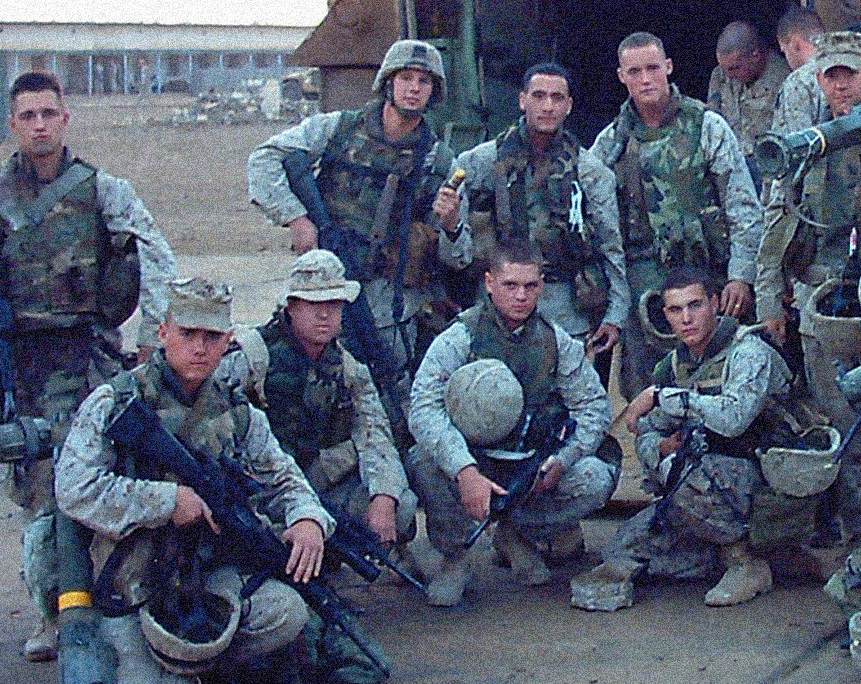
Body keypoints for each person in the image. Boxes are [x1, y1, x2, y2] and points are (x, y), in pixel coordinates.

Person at [0, 70, 180, 664]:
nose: (38, 126)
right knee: (39, 497)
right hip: (24, 366)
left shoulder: (104, 190)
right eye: (27, 116)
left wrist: (149, 344)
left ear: (65, 119)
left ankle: (109, 603)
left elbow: (157, 255)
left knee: (102, 481)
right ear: (12, 124)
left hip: (92, 360)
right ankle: (52, 614)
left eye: (48, 114)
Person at [55, 278, 332, 684]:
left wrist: (307, 518)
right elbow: (74, 490)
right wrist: (166, 503)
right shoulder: (116, 402)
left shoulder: (239, 412)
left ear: (228, 342)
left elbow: (283, 477)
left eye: (212, 337)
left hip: (200, 576)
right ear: (162, 332)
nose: (200, 348)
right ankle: (159, 673)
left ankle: (186, 669)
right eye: (188, 334)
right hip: (128, 577)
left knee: (285, 613)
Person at [571, 267, 802, 610]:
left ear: (714, 304)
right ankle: (718, 553)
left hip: (766, 481)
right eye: (676, 310)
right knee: (623, 547)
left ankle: (746, 561)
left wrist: (663, 398)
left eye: (695, 306)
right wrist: (660, 451)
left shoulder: (748, 351)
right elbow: (645, 429)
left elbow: (733, 418)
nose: (687, 319)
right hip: (704, 479)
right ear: (665, 315)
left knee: (689, 477)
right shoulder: (676, 364)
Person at [406, 244, 617, 606]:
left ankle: (516, 531)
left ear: (542, 285)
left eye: (530, 286)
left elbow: (593, 406)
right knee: (422, 461)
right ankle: (455, 556)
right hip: (472, 457)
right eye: (509, 285)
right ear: (489, 283)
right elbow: (423, 407)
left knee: (595, 478)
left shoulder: (556, 340)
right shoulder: (461, 335)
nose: (520, 296)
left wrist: (564, 459)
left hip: (528, 462)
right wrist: (464, 469)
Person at [247, 38, 470, 381]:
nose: (414, 88)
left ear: (433, 91)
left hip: (387, 306)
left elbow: (458, 257)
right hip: (323, 289)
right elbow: (264, 159)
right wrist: (296, 218)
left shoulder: (439, 161)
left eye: (424, 81)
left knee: (390, 388)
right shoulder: (338, 129)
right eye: (405, 77)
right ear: (388, 83)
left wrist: (452, 223)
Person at [755, 29, 861, 542]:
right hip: (823, 303)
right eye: (831, 75)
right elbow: (777, 224)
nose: (841, 85)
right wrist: (770, 299)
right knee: (841, 419)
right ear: (818, 79)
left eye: (850, 74)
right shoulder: (807, 146)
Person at [589, 32, 763, 395]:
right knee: (648, 389)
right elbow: (598, 228)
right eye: (634, 71)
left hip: (709, 280)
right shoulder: (609, 144)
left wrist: (741, 276)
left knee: (722, 380)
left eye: (653, 68)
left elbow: (743, 206)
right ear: (621, 76)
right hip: (643, 290)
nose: (646, 79)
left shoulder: (707, 126)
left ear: (668, 67)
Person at [228, 249, 415, 554]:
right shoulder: (252, 355)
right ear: (292, 307)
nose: (325, 314)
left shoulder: (349, 368)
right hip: (265, 488)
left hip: (319, 480)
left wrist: (383, 497)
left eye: (333, 304)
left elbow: (375, 435)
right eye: (314, 304)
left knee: (401, 504)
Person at [454, 62, 628, 352]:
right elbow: (455, 246)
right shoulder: (480, 163)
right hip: (497, 309)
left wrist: (616, 314)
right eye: (538, 96)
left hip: (566, 310)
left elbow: (610, 244)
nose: (548, 106)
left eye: (557, 98)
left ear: (569, 106)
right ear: (522, 100)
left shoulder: (589, 171)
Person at [705, 19, 791, 165]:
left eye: (734, 68)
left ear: (755, 56)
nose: (729, 75)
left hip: (768, 164)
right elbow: (712, 121)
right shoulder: (720, 75)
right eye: (724, 68)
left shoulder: (784, 79)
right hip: (730, 163)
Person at [771, 5, 830, 135]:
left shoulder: (798, 81)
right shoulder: (848, 68)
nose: (786, 58)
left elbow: (797, 141)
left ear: (796, 44)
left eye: (784, 51)